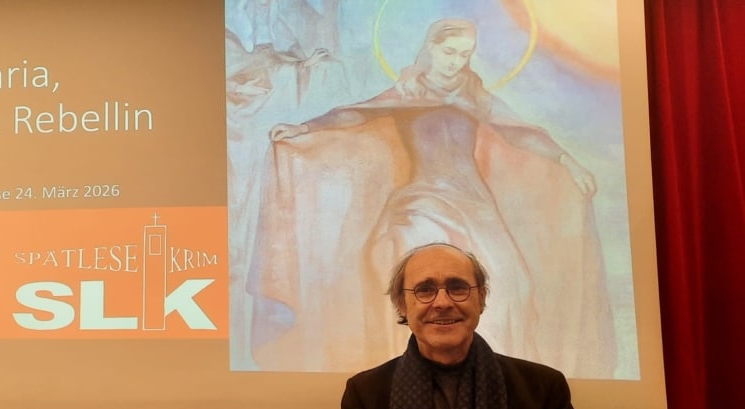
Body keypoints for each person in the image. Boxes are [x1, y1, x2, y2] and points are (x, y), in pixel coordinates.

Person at [245, 18, 615, 377]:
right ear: (431, 49)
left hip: (476, 204)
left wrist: (567, 161)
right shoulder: (408, 91)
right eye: (449, 52)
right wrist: (303, 128)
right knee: (403, 260)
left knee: (515, 282)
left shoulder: (473, 94)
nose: (456, 61)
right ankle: (408, 369)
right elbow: (354, 115)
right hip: (421, 198)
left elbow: (521, 132)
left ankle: (491, 377)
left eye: (464, 54)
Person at [332, 242, 594, 409]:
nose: (442, 302)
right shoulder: (365, 394)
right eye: (425, 290)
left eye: (457, 287)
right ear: (402, 304)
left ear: (481, 298)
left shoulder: (542, 389)